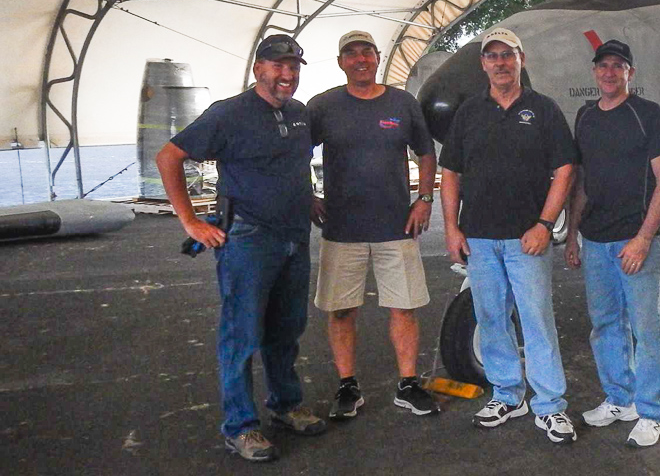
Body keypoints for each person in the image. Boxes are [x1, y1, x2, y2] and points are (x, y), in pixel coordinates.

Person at [156, 33, 327, 463]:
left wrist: (308, 199)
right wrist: (191, 221)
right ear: (259, 69)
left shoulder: (300, 114)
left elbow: (289, 164)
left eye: (293, 67)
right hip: (249, 240)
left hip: (294, 237)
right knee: (242, 335)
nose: (286, 75)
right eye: (278, 66)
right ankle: (241, 427)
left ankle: (286, 406)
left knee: (286, 332)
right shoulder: (228, 114)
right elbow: (168, 157)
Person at [438, 26, 578, 444]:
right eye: (493, 56)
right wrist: (450, 228)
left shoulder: (544, 110)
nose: (500, 63)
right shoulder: (468, 113)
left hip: (525, 239)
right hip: (479, 238)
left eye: (508, 55)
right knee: (492, 318)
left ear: (521, 60)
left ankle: (550, 406)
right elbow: (450, 173)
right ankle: (507, 395)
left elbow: (566, 170)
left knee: (537, 321)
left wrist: (544, 223)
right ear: (483, 63)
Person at [307, 30, 439, 420]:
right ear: (340, 62)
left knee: (404, 307)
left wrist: (425, 199)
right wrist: (307, 195)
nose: (360, 59)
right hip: (341, 228)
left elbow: (426, 152)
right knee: (342, 310)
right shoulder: (323, 105)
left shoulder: (402, 102)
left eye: (367, 52)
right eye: (351, 53)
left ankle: (408, 384)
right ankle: (348, 386)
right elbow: (296, 151)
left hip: (396, 226)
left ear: (378, 57)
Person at [564, 39, 660, 448]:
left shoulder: (648, 115)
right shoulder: (586, 117)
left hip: (635, 242)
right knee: (606, 326)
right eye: (603, 65)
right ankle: (619, 398)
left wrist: (644, 239)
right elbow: (581, 182)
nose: (609, 72)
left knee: (647, 331)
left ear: (630, 72)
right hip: (595, 241)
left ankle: (652, 412)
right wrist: (572, 234)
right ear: (594, 71)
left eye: (618, 66)